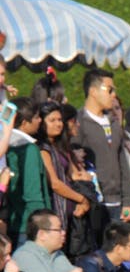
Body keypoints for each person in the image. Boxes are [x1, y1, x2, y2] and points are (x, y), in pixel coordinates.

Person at [74, 68, 130, 222]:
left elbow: (123, 163)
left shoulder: (114, 123)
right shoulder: (78, 122)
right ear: (93, 91)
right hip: (93, 202)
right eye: (110, 90)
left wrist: (128, 201)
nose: (113, 94)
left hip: (118, 204)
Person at [37, 100, 90, 235]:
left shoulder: (58, 146)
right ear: (41, 123)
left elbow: (72, 175)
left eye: (60, 120)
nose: (58, 124)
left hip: (69, 212)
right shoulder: (43, 149)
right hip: (55, 212)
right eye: (52, 120)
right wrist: (81, 199)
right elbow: (55, 184)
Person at [4, 98, 51, 246]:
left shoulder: (5, 147)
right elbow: (33, 194)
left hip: (11, 221)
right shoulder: (29, 149)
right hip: (29, 225)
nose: (40, 121)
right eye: (36, 117)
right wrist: (43, 224)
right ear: (24, 123)